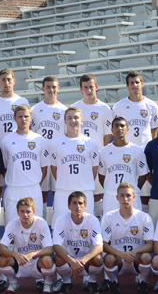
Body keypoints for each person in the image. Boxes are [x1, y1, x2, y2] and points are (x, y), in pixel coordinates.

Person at [0, 68, 30, 230]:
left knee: (17, 187)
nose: (6, 83)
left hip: (18, 150)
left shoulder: (22, 101)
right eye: (3, 80)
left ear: (14, 81)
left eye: (9, 79)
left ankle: (23, 228)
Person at [101, 183, 154, 294]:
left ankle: (143, 282)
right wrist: (121, 254)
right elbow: (103, 245)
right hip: (118, 258)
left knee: (147, 257)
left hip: (136, 258)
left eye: (128, 195)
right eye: (122, 195)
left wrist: (134, 252)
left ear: (134, 197)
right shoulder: (108, 217)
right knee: (108, 259)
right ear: (117, 197)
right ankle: (113, 282)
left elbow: (150, 245)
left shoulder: (144, 217)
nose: (125, 199)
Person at [71, 74, 113, 217]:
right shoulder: (76, 107)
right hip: (79, 156)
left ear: (96, 87)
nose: (89, 90)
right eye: (85, 87)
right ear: (81, 89)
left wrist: (100, 151)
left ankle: (98, 221)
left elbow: (108, 134)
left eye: (91, 87)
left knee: (97, 192)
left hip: (97, 156)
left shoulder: (105, 109)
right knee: (80, 191)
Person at [0, 197, 55, 294]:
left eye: (28, 211)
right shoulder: (12, 224)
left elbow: (49, 249)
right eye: (22, 211)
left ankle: (48, 284)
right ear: (17, 212)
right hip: (20, 262)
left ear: (34, 212)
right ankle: (13, 282)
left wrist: (32, 254)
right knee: (2, 260)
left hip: (37, 262)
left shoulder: (41, 223)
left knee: (47, 260)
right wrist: (14, 254)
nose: (25, 215)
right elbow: (2, 248)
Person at [1, 104, 49, 223]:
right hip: (13, 189)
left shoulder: (40, 140)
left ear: (31, 118)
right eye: (20, 117)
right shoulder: (6, 140)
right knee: (11, 226)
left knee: (36, 226)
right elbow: (4, 167)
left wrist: (33, 181)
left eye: (26, 116)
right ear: (15, 118)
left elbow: (44, 168)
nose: (23, 119)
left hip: (33, 187)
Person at [49, 107, 100, 218]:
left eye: (76, 117)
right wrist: (64, 182)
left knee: (85, 227)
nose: (73, 121)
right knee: (60, 227)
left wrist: (84, 182)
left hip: (85, 191)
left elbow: (94, 168)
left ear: (82, 120)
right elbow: (54, 168)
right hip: (63, 192)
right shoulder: (55, 143)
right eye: (69, 118)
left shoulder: (91, 143)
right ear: (65, 121)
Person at [53, 191, 104, 294]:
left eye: (80, 203)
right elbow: (56, 246)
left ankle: (92, 282)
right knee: (58, 258)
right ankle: (67, 283)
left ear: (85, 206)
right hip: (69, 259)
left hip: (86, 260)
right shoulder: (61, 220)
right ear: (69, 206)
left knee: (98, 259)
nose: (78, 206)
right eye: (74, 203)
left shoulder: (92, 220)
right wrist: (72, 262)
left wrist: (82, 261)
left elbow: (99, 246)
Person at [30, 76, 66, 216]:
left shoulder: (64, 110)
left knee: (58, 192)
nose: (51, 90)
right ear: (43, 89)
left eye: (54, 87)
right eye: (48, 87)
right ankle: (42, 224)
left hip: (58, 158)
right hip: (41, 158)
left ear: (58, 88)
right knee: (42, 193)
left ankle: (58, 223)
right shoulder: (35, 110)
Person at [98, 116, 148, 214]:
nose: (119, 128)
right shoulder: (103, 152)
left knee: (134, 225)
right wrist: (111, 188)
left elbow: (143, 175)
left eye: (122, 126)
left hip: (131, 196)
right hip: (111, 197)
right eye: (116, 126)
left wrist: (133, 189)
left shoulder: (137, 150)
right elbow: (101, 176)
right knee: (110, 226)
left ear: (127, 129)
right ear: (112, 130)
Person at [112, 71, 158, 148]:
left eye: (137, 82)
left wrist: (150, 148)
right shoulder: (119, 106)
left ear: (142, 84)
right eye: (132, 83)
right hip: (127, 150)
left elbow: (154, 130)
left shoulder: (152, 106)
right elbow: (115, 130)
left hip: (145, 150)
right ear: (127, 85)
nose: (135, 85)